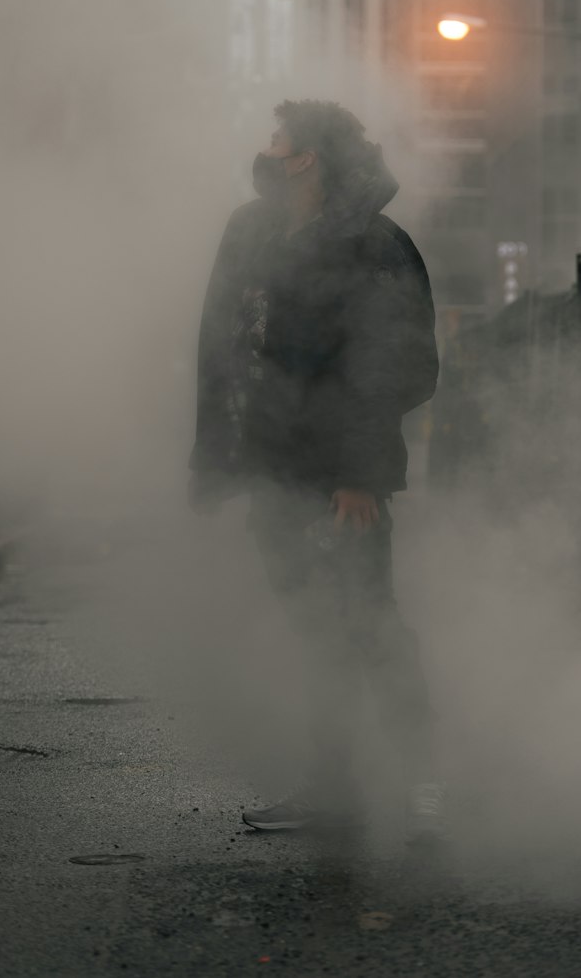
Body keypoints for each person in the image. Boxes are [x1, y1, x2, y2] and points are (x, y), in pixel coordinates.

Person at [189, 99, 443, 839]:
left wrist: (358, 472)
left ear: (308, 157)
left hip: (340, 478)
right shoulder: (251, 230)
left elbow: (402, 363)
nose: (268, 147)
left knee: (370, 625)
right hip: (272, 469)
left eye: (281, 139)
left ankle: (427, 784)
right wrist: (217, 460)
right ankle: (335, 788)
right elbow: (221, 347)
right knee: (316, 632)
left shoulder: (375, 244)